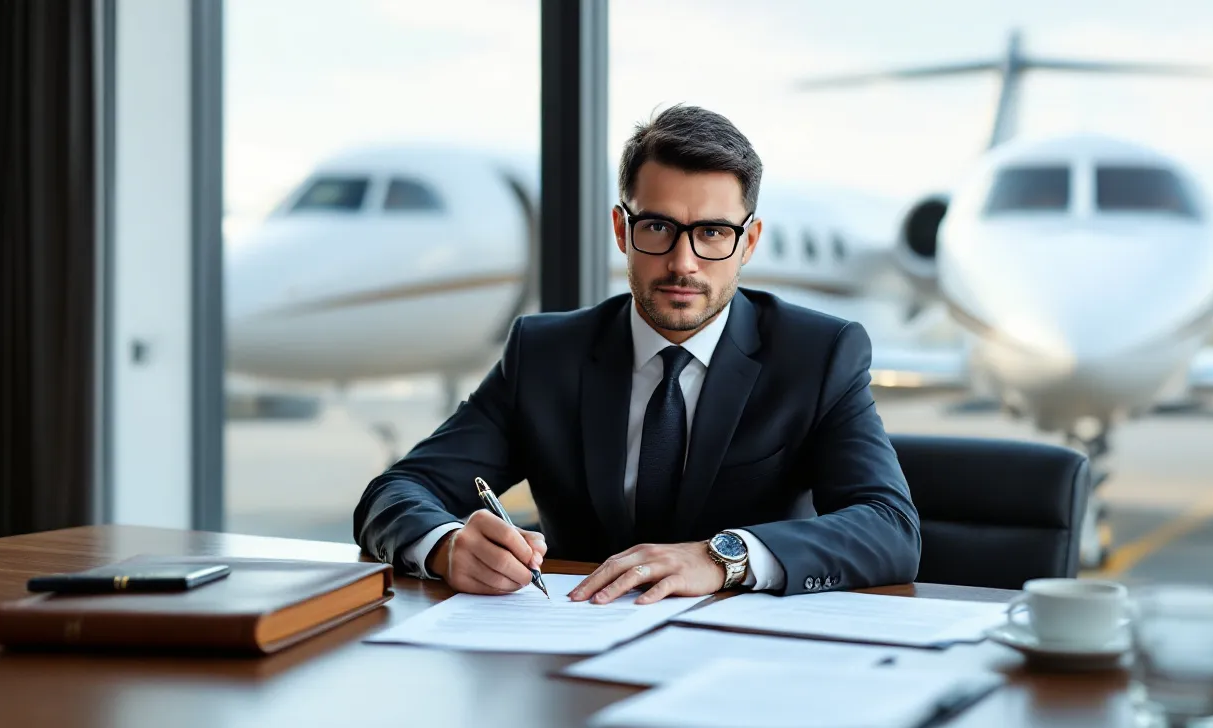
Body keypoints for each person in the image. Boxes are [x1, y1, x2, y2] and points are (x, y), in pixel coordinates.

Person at [353, 104, 921, 604]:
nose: (683, 262)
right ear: (622, 230)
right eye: (658, 227)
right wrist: (447, 546)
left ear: (748, 241)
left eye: (714, 233)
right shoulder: (546, 354)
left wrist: (724, 558)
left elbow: (890, 529)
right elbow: (396, 493)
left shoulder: (818, 354)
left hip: (745, 663)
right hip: (567, 652)